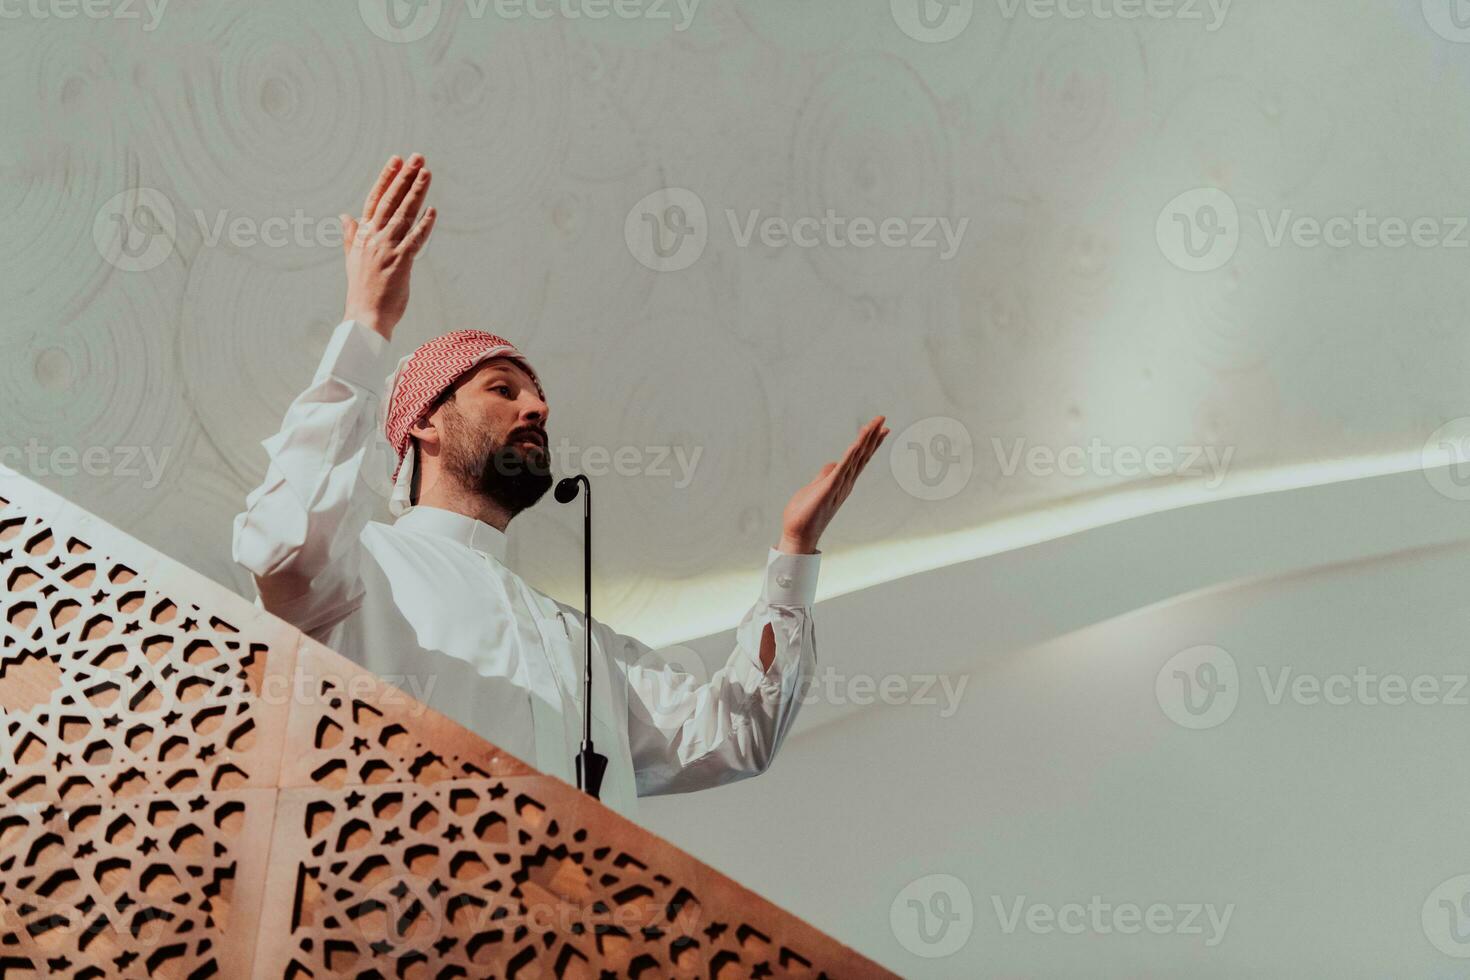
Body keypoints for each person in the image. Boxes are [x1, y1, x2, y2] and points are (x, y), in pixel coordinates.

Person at [231, 153, 890, 817]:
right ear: (424, 423)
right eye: (502, 389)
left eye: (538, 398)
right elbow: (281, 545)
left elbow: (737, 733)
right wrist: (365, 324)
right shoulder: (365, 570)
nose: (538, 409)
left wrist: (794, 553)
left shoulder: (581, 647)